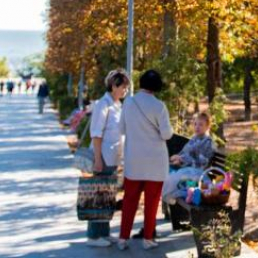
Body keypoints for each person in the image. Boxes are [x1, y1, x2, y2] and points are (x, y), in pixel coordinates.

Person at [117, 70, 173, 251]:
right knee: (151, 202)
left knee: (129, 201)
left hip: (134, 161)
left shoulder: (129, 103)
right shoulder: (159, 106)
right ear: (157, 86)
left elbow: (122, 129)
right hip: (155, 162)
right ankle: (148, 238)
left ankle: (123, 238)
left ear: (141, 83)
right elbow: (166, 134)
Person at [85, 69, 130, 248]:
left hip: (112, 158)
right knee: (99, 196)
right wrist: (97, 159)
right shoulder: (103, 104)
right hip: (102, 157)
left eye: (126, 87)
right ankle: (94, 236)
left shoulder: (116, 104)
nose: (125, 90)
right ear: (113, 86)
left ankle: (104, 232)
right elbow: (96, 134)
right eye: (123, 87)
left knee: (108, 196)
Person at [163, 112, 216, 204]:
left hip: (198, 173)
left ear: (207, 127)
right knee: (166, 171)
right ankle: (170, 196)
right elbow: (185, 152)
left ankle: (177, 194)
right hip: (189, 169)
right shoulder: (195, 138)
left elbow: (202, 162)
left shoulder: (207, 142)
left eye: (200, 124)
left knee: (176, 178)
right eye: (195, 124)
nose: (197, 127)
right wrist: (178, 158)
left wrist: (182, 159)